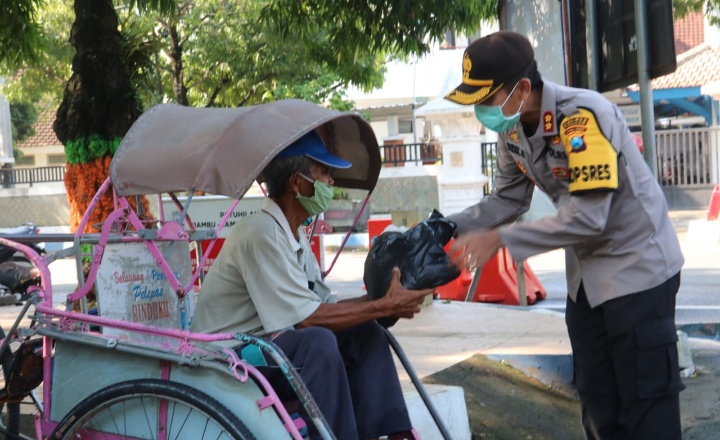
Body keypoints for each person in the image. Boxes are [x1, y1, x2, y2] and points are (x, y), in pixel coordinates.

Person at [444, 31, 685, 440]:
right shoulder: (512, 128)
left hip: (638, 270)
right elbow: (507, 199)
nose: (481, 111)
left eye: (486, 100)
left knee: (646, 408)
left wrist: (500, 241)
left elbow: (590, 217)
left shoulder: (582, 116)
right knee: (596, 402)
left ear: (521, 88)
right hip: (587, 282)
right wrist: (446, 227)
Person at [191, 130, 432, 440]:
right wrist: (382, 305)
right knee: (317, 344)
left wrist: (381, 299)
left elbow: (324, 308)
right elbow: (306, 320)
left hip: (266, 350)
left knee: (365, 333)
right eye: (324, 174)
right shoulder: (259, 233)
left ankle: (392, 433)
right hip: (227, 359)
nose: (331, 183)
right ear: (297, 182)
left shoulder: (295, 234)